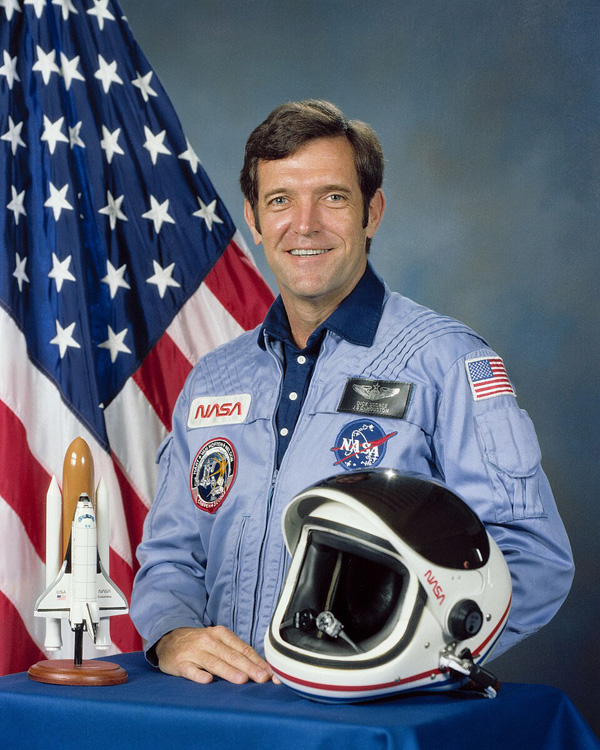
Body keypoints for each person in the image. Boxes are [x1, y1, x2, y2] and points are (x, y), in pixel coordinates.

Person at [130, 100, 574, 686]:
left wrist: (396, 667)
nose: (305, 224)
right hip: (223, 711)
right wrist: (173, 633)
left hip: (371, 715)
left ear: (373, 212)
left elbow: (531, 558)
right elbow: (172, 555)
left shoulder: (445, 362)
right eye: (280, 200)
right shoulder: (214, 380)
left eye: (333, 197)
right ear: (254, 221)